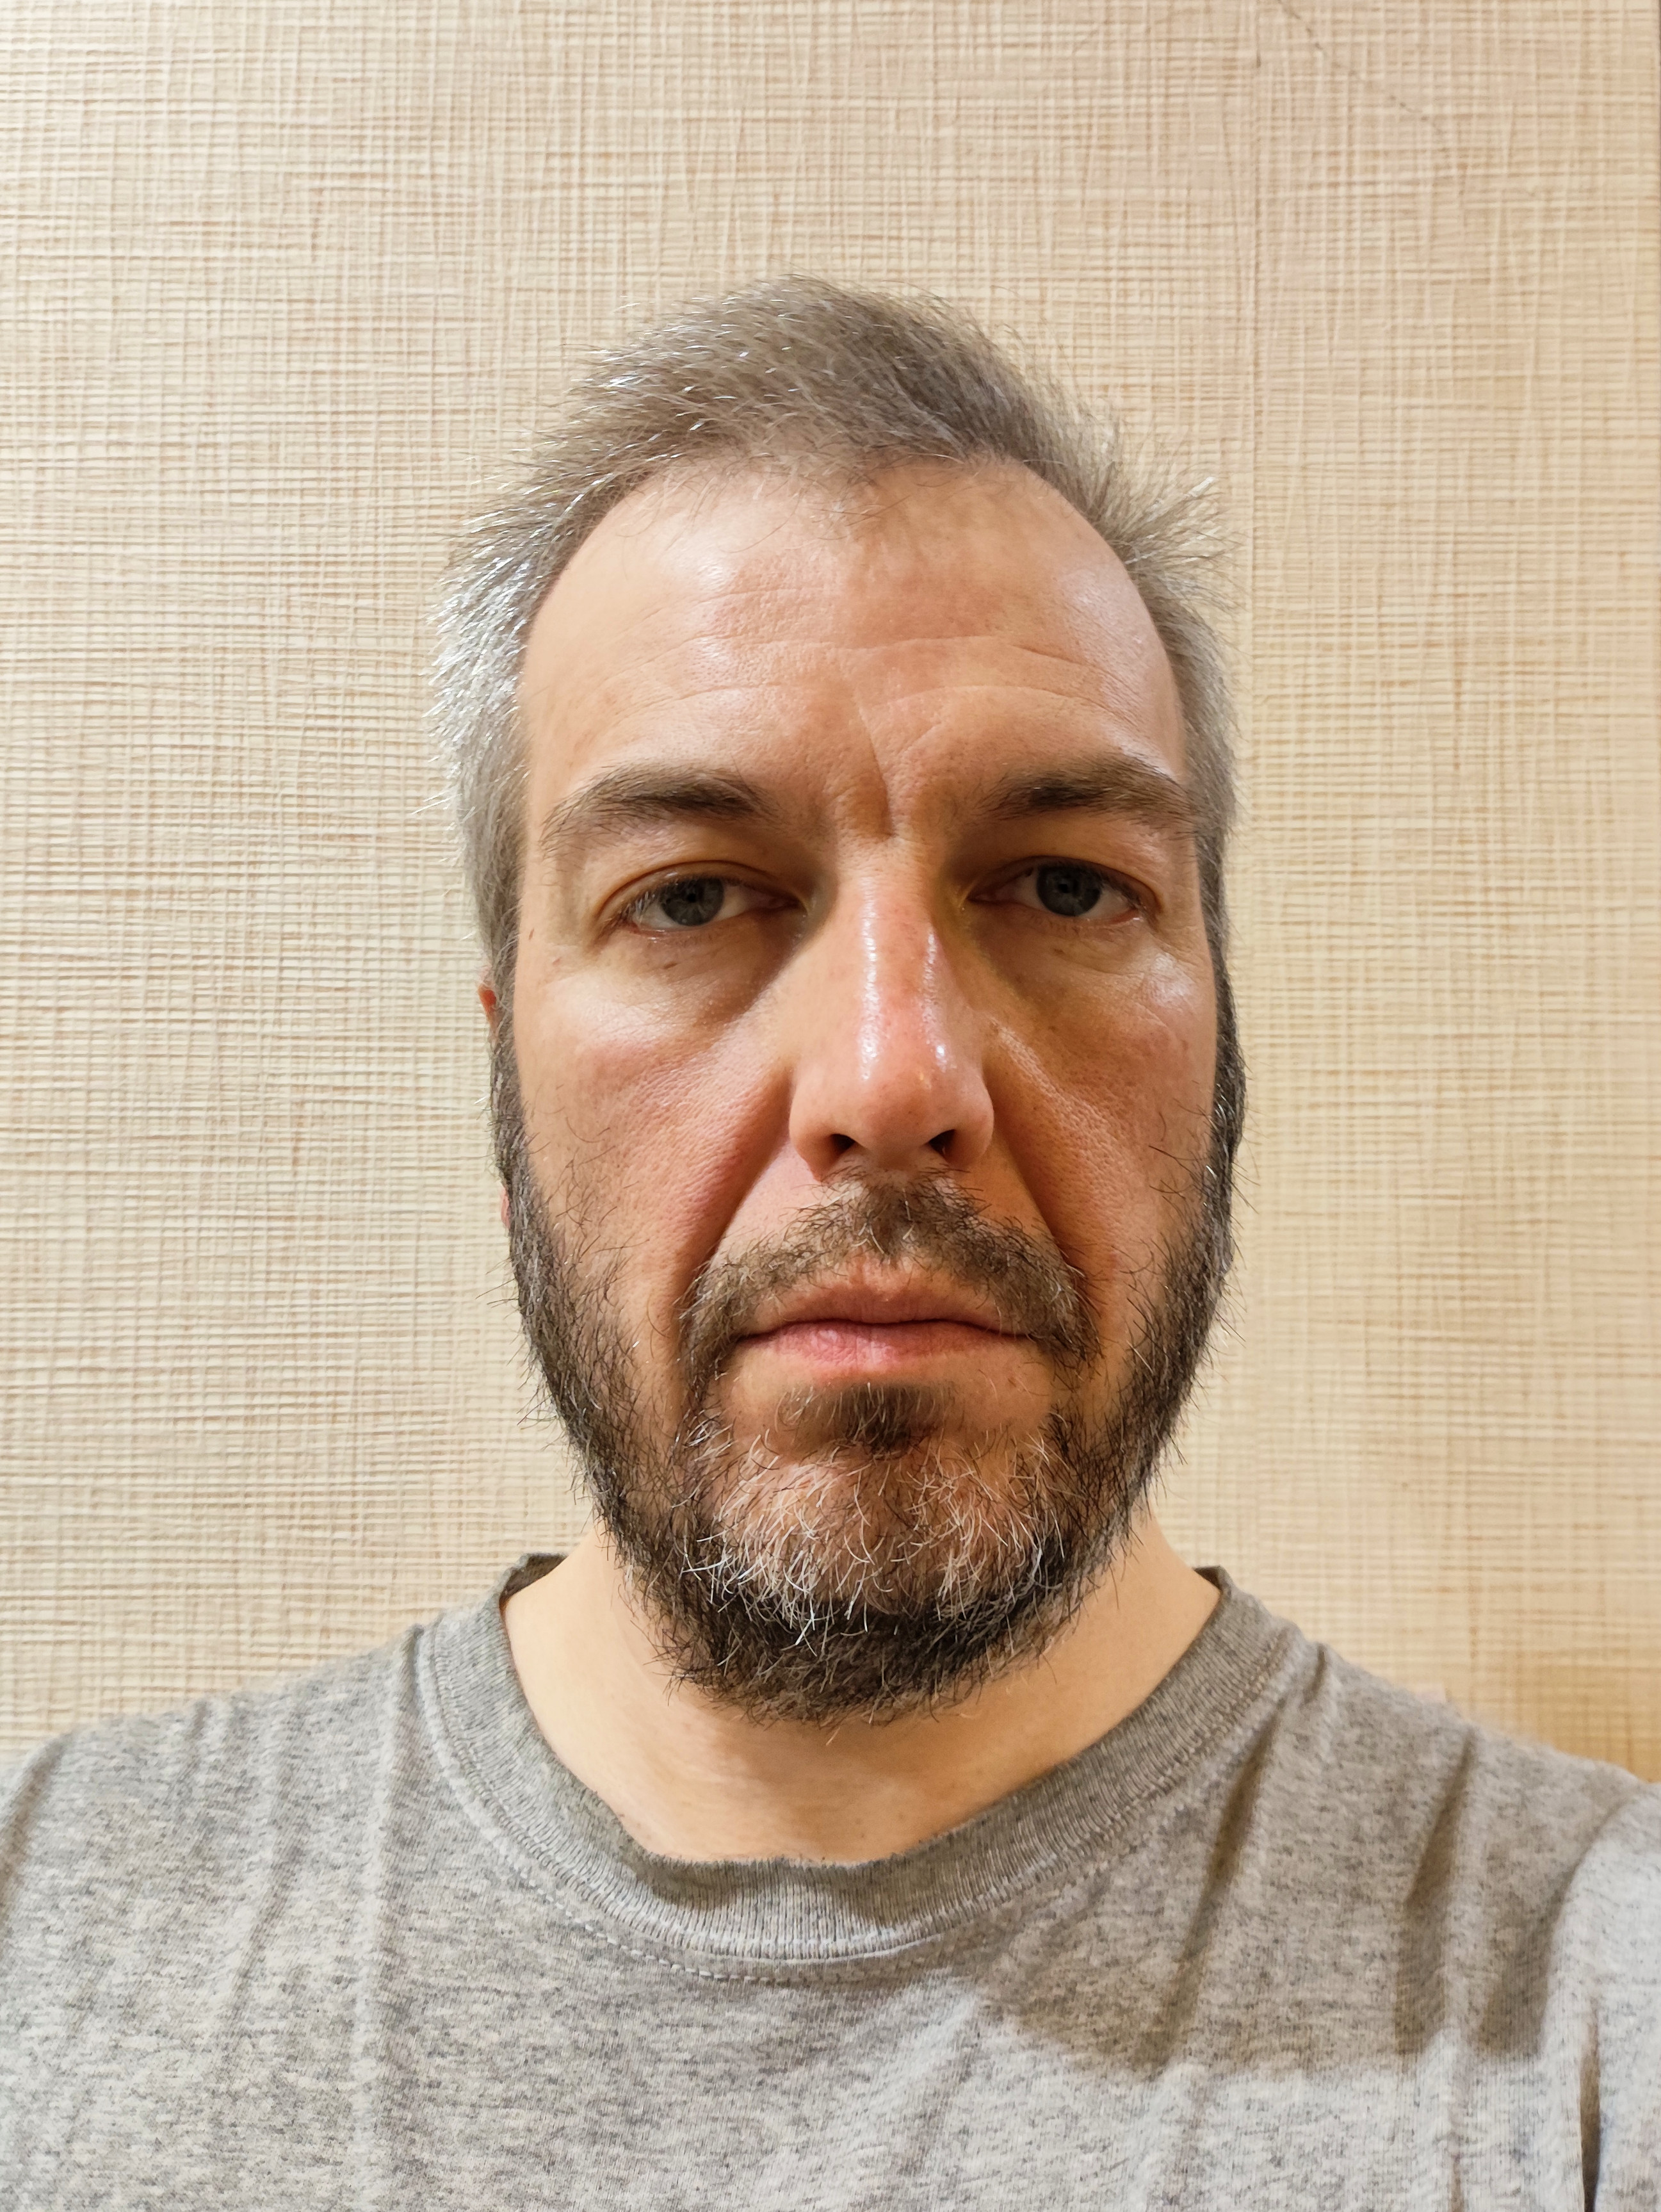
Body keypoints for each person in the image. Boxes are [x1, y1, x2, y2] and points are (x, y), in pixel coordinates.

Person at [1, 277, 1656, 2209]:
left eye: (1064, 888)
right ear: (506, 1079)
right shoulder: (51, 1934)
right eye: (692, 897)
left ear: (1223, 1049)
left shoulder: (1596, 2024)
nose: (892, 1077)